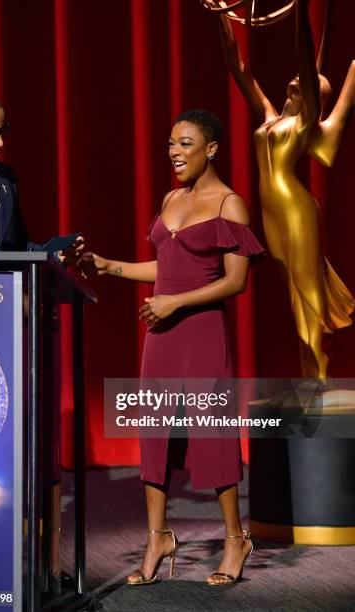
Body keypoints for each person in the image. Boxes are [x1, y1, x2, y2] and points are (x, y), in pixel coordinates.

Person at [84, 109, 263, 585]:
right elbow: (164, 267)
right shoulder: (170, 199)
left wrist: (175, 303)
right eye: (170, 144)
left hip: (201, 332)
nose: (174, 153)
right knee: (155, 430)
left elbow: (236, 281)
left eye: (185, 144)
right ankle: (157, 537)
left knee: (212, 431)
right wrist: (110, 266)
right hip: (160, 336)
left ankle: (234, 539)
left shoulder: (230, 205)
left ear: (211, 149)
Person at [218, 0, 355, 378]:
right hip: (273, 214)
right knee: (295, 301)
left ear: (313, 96)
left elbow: (306, 55)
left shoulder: (304, 125)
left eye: (306, 81)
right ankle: (310, 376)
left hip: (296, 211)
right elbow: (238, 67)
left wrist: (300, 10)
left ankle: (319, 379)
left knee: (307, 297)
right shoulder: (270, 118)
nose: (296, 78)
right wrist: (219, 15)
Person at [0, 88, 83, 259]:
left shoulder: (4, 176)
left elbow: (16, 246)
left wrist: (55, 255)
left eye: (2, 132)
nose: (0, 143)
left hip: (6, 285)